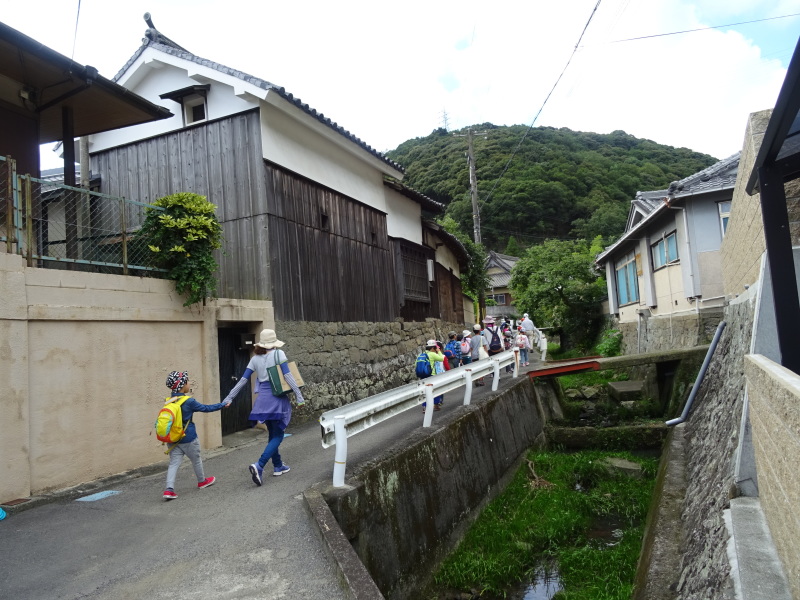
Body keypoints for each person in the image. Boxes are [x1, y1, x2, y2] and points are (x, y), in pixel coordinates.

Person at [223, 329, 305, 486]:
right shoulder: (279, 354)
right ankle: (259, 465)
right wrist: (299, 396)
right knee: (279, 435)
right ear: (274, 343)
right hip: (277, 400)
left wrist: (229, 398)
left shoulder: (255, 359)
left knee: (272, 433)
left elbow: (242, 380)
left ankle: (278, 466)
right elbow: (288, 376)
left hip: (262, 401)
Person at [162, 370, 231, 500]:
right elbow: (206, 408)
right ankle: (202, 481)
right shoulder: (189, 401)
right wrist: (222, 405)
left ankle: (169, 489)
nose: (189, 383)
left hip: (173, 438)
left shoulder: (169, 401)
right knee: (196, 459)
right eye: (187, 381)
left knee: (173, 463)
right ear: (182, 385)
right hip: (188, 437)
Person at [420, 339, 445, 410]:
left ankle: (425, 406)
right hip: (432, 375)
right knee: (436, 390)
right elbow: (441, 359)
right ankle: (435, 405)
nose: (435, 349)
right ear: (432, 348)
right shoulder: (432, 354)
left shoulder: (422, 354)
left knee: (425, 392)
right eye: (435, 348)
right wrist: (439, 351)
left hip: (423, 375)